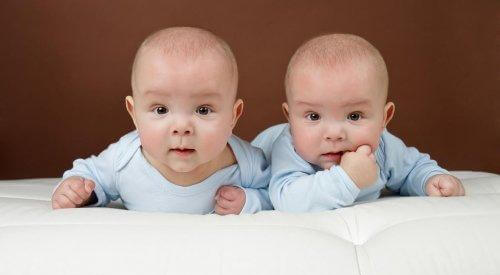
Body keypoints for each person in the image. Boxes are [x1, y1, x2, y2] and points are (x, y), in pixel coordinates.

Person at [51, 27, 272, 215]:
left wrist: (248, 200)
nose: (182, 128)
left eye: (203, 110)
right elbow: (89, 176)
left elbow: (275, 192)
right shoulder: (123, 160)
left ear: (234, 115)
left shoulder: (246, 163)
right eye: (161, 109)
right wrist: (77, 190)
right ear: (134, 113)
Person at [253, 33, 464, 213]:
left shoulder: (383, 147)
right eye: (314, 116)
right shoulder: (288, 148)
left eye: (354, 116)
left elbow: (411, 168)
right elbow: (287, 199)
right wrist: (347, 178)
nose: (334, 134)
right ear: (290, 119)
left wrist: (431, 179)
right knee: (244, 186)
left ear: (384, 118)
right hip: (253, 162)